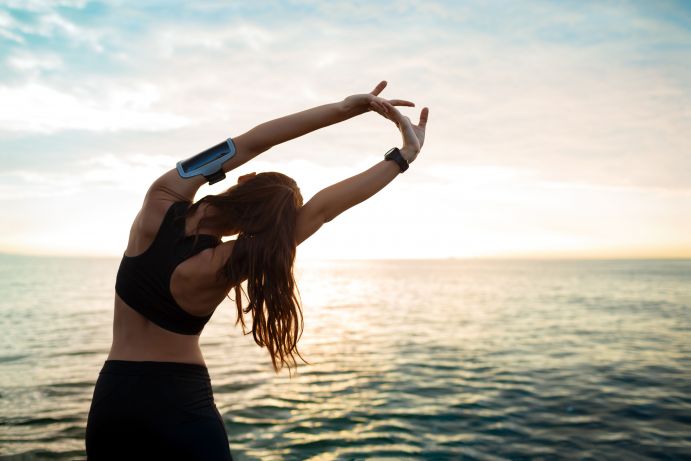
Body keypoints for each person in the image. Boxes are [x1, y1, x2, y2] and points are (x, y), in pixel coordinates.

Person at [85, 80, 429, 460]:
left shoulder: (161, 199)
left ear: (246, 179)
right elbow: (321, 211)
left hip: (115, 402)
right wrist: (403, 156)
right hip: (183, 407)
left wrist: (347, 108)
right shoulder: (232, 262)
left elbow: (252, 142)